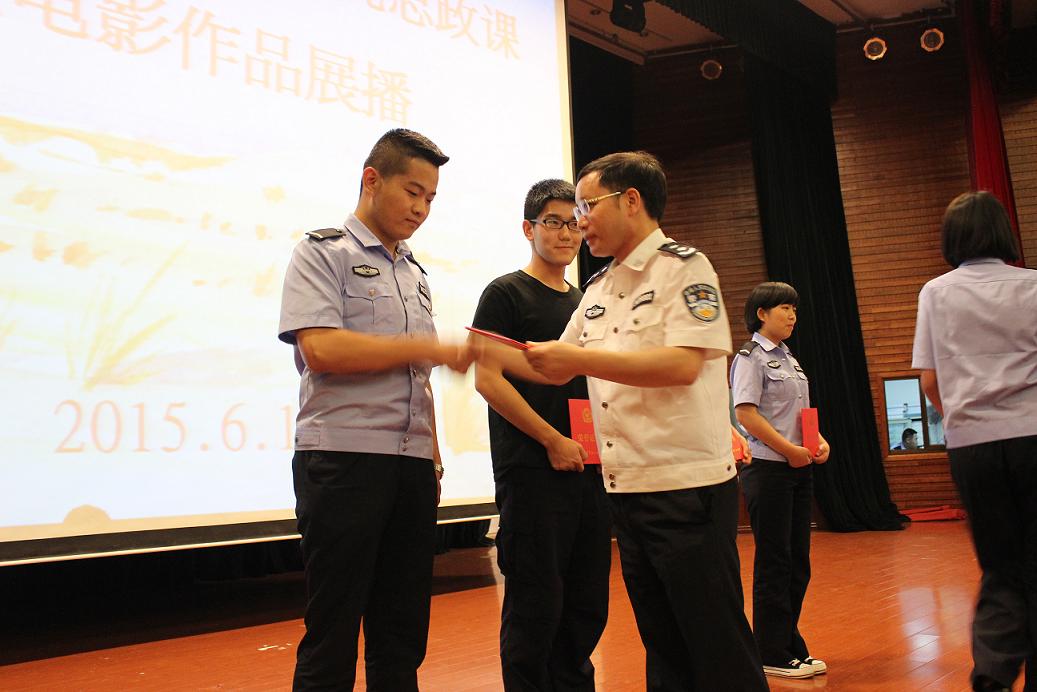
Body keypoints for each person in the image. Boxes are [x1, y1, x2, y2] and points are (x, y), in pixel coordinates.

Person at [514, 151, 767, 691]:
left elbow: (682, 365)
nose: (580, 221)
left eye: (588, 206)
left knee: (715, 643)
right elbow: (555, 362)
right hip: (625, 488)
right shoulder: (599, 287)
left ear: (631, 201)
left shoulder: (684, 268)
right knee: (663, 644)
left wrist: (580, 361)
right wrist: (469, 353)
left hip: (685, 486)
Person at [277, 128, 471, 691]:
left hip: (411, 465)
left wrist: (433, 456)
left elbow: (419, 379)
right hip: (343, 460)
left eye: (430, 198)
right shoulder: (322, 252)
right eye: (413, 192)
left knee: (401, 636)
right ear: (371, 180)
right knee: (333, 633)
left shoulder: (414, 273)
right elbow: (321, 349)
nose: (421, 209)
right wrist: (425, 348)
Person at [470, 179, 611, 691]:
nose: (567, 233)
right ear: (529, 229)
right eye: (553, 222)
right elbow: (488, 379)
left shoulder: (588, 301)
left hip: (589, 467)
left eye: (575, 223)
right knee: (536, 603)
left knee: (586, 601)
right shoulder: (506, 293)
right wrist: (552, 440)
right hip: (532, 469)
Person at [911, 191, 1037, 692]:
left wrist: (963, 419)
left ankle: (992, 673)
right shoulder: (1033, 285)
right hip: (1033, 435)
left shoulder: (935, 293)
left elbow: (928, 380)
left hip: (972, 446)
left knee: (999, 562)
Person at [729, 281, 831, 679]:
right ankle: (770, 651)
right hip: (769, 469)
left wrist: (817, 442)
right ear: (761, 313)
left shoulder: (789, 357)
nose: (792, 315)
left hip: (797, 467)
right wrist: (789, 450)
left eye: (794, 309)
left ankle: (789, 643)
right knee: (775, 562)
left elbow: (798, 414)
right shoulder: (750, 358)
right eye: (784, 308)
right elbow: (746, 414)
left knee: (798, 562)